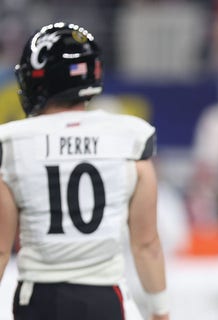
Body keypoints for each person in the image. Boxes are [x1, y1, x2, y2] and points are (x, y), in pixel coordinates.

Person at [0, 23, 169, 320]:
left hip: (39, 298)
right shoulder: (128, 138)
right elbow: (146, 245)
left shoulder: (13, 144)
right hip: (103, 298)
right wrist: (160, 312)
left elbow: (1, 249)